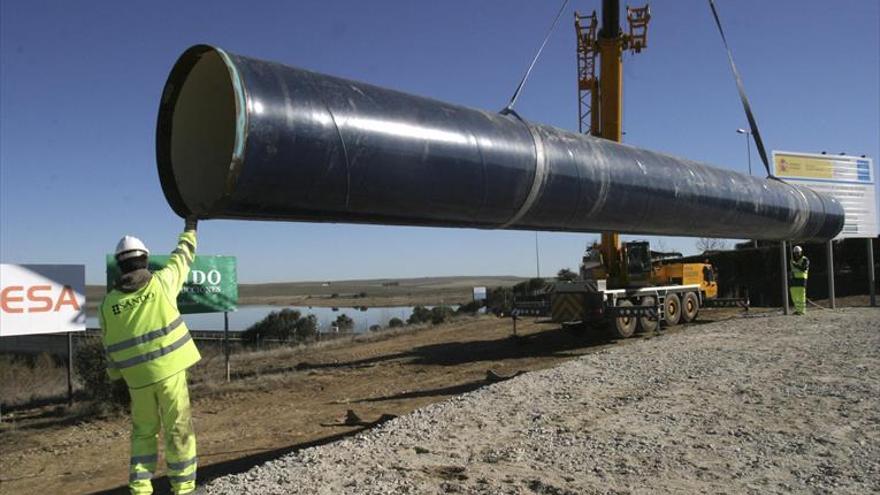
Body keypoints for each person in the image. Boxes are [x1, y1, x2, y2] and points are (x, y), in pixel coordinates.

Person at [100, 217, 201, 495]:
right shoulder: (162, 283)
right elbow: (183, 256)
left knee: (144, 433)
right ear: (145, 259)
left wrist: (115, 376)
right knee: (178, 428)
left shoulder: (108, 304)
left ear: (120, 265)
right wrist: (190, 228)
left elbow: (109, 347)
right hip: (169, 372)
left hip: (137, 381)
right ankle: (183, 488)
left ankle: (141, 488)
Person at [789, 245, 809, 315]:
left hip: (801, 280)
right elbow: (791, 270)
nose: (797, 254)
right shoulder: (792, 260)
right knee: (794, 295)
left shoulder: (805, 259)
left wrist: (796, 265)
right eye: (795, 253)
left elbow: (804, 268)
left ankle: (802, 311)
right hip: (794, 280)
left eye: (798, 252)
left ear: (801, 252)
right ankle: (798, 310)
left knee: (801, 296)